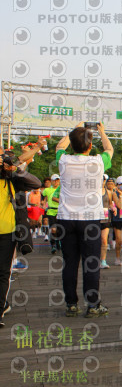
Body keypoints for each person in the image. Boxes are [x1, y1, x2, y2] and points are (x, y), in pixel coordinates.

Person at [55, 122, 113, 318]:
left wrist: (74, 128)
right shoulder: (99, 161)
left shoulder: (63, 160)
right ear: (90, 145)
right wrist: (101, 131)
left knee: (69, 263)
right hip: (90, 219)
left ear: (72, 145)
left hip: (66, 219)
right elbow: (109, 149)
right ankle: (93, 305)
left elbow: (59, 146)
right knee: (91, 263)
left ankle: (71, 304)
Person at [0, 140, 45, 327]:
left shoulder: (11, 177)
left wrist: (16, 170)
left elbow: (36, 183)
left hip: (7, 230)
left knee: (3, 272)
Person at [42, 174, 61, 252]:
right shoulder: (47, 190)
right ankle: (53, 244)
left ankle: (58, 241)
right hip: (51, 211)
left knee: (60, 229)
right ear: (51, 181)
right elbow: (44, 198)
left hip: (60, 211)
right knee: (53, 229)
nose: (56, 182)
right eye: (54, 180)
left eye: (57, 180)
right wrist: (43, 204)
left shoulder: (62, 189)